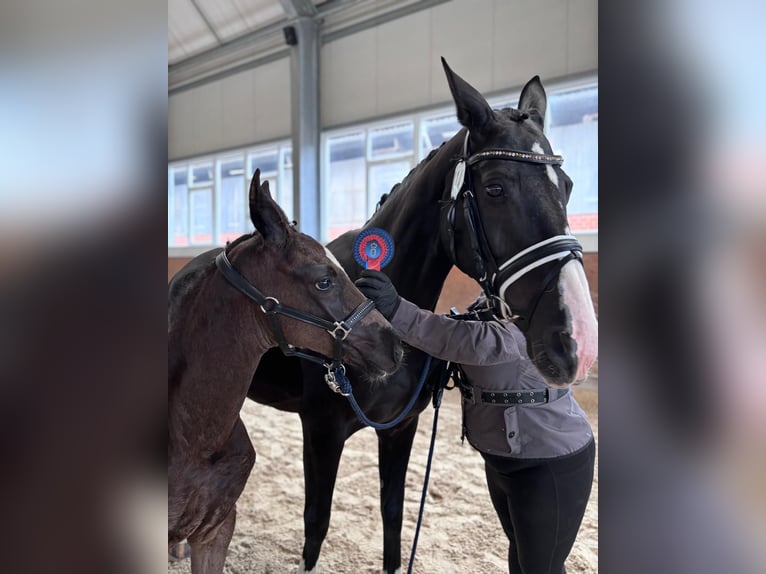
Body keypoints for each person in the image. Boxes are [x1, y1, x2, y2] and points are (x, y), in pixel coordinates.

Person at [355, 270, 595, 574]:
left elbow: (474, 340)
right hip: (501, 459)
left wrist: (399, 310)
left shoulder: (542, 313)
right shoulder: (500, 299)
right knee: (521, 558)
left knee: (540, 567)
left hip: (548, 464)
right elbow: (464, 325)